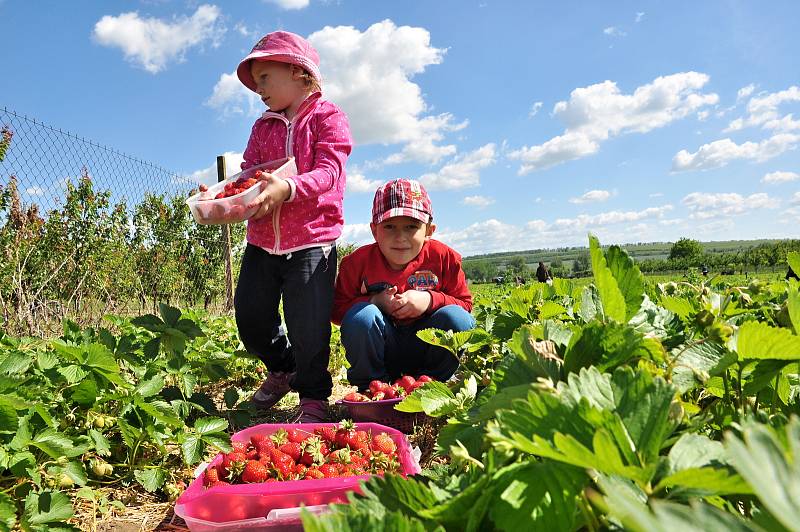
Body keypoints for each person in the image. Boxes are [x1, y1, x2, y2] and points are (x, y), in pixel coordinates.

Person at [233, 31, 353, 423]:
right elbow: (249, 173)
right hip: (263, 240)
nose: (259, 90)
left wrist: (288, 187)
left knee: (309, 325)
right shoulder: (261, 128)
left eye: (265, 78)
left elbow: (329, 172)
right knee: (250, 315)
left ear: (298, 72)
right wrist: (237, 199)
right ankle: (284, 368)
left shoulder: (327, 118)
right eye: (256, 82)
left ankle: (314, 395)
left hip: (311, 241)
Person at [332, 179, 475, 391]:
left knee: (457, 319)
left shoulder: (444, 258)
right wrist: (374, 301)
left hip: (426, 345)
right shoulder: (356, 263)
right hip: (383, 347)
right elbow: (337, 312)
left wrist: (429, 300)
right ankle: (372, 388)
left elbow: (465, 306)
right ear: (374, 230)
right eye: (389, 226)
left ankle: (432, 386)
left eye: (411, 227)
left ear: (429, 230)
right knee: (363, 316)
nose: (400, 237)